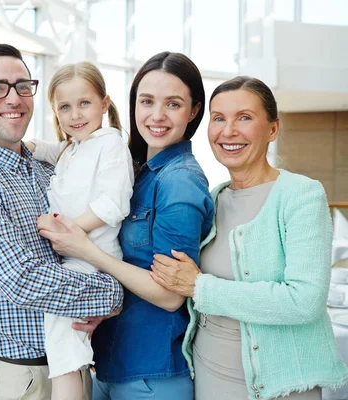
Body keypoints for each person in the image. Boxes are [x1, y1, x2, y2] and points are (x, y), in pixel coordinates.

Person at [0, 45, 123, 400]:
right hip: (20, 380)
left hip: (73, 362)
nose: (13, 98)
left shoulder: (47, 168)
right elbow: (22, 280)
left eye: (22, 86)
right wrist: (115, 294)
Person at [149, 76, 348, 400]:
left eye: (244, 117)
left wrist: (200, 287)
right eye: (219, 118)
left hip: (281, 388)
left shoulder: (301, 195)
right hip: (208, 377)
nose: (229, 131)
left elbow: (304, 301)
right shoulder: (212, 199)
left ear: (272, 129)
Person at [38, 51, 214, 400]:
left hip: (150, 376)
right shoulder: (138, 169)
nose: (157, 115)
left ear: (194, 111)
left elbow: (169, 296)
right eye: (146, 101)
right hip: (113, 364)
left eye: (174, 104)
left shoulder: (179, 181)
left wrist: (85, 250)